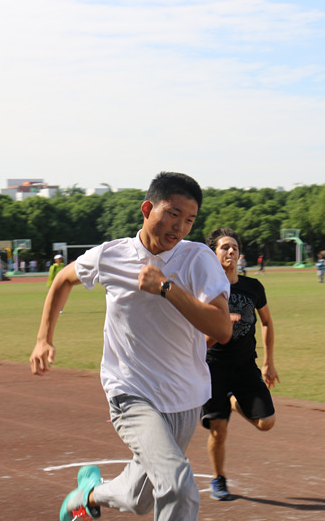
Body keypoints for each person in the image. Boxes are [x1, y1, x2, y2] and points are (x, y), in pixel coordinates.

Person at [29, 172, 231, 521]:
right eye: (173, 213)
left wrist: (167, 288)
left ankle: (87, 495)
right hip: (130, 392)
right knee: (178, 486)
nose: (180, 226)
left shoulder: (198, 258)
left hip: (184, 398)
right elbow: (63, 279)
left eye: (189, 220)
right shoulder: (111, 255)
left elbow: (222, 329)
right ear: (147, 208)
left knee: (141, 498)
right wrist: (43, 338)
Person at [201, 228, 278, 502]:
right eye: (224, 247)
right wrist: (221, 326)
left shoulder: (252, 287)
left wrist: (269, 362)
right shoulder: (204, 288)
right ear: (213, 254)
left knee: (266, 422)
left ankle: (235, 402)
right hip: (212, 369)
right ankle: (218, 479)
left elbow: (267, 322)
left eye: (234, 247)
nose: (231, 251)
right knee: (219, 431)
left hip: (246, 367)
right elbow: (197, 337)